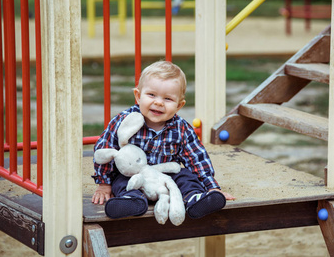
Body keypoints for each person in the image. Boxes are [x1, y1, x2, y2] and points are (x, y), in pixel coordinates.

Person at [92, 60, 235, 220]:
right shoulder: (125, 121)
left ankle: (195, 199)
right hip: (133, 176)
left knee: (185, 176)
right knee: (122, 182)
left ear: (179, 105)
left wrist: (212, 187)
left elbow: (197, 159)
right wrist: (104, 184)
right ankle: (131, 201)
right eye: (151, 95)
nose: (158, 102)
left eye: (168, 99)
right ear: (138, 96)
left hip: (166, 175)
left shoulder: (181, 128)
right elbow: (105, 149)